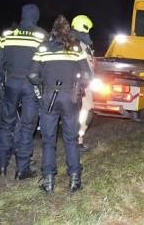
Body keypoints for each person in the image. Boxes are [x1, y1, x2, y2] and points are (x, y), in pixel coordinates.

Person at [29, 15, 92, 193]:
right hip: (70, 98)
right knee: (71, 139)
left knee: (48, 141)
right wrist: (78, 86)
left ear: (53, 31)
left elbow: (32, 75)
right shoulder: (75, 48)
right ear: (67, 31)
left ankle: (48, 182)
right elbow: (88, 76)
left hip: (49, 97)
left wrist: (43, 84)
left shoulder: (43, 48)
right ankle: (75, 180)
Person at [0, 4, 47, 178]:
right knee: (28, 126)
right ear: (36, 16)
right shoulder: (42, 36)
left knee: (7, 124)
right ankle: (22, 169)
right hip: (31, 85)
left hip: (10, 84)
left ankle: (2, 164)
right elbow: (46, 64)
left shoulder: (8, 35)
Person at [71, 15, 95, 152]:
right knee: (85, 111)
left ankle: (75, 139)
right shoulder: (79, 45)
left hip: (77, 85)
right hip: (81, 86)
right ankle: (77, 141)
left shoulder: (76, 43)